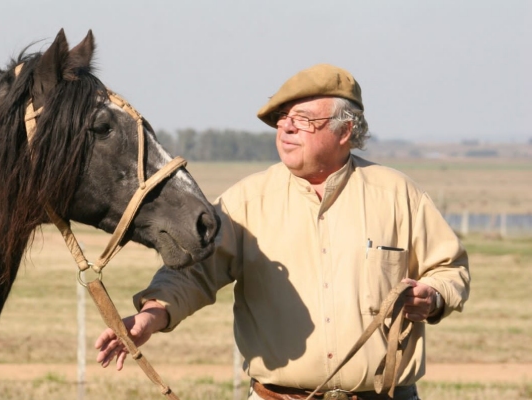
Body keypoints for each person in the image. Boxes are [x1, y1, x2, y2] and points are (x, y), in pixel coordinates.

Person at [95, 64, 470, 400]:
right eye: (283, 118)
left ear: (346, 131)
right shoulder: (247, 199)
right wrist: (152, 315)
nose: (286, 126)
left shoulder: (397, 194)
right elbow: (193, 273)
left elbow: (449, 269)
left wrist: (434, 296)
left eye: (304, 119)